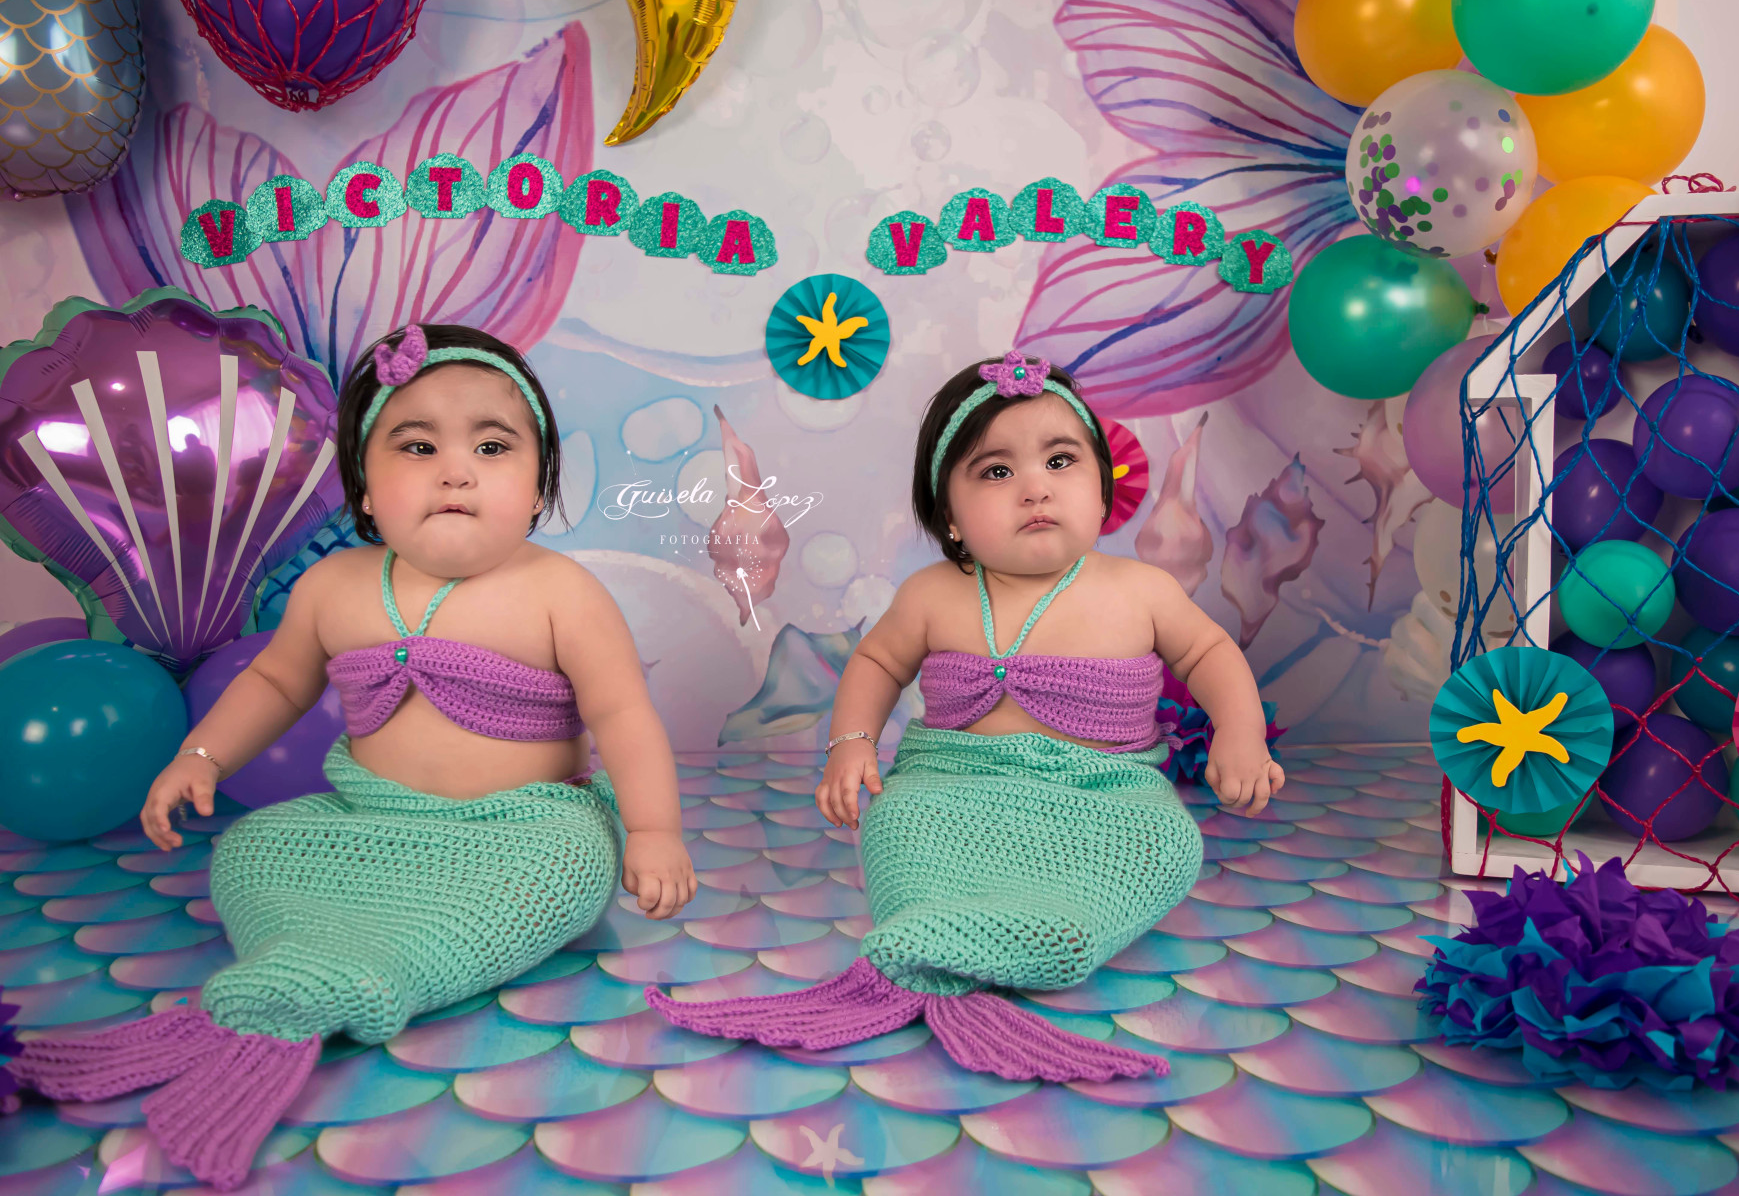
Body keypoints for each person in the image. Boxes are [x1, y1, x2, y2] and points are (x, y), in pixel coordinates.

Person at [9, 324, 694, 1189]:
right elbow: (274, 682)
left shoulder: (561, 593)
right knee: (255, 846)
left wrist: (653, 831)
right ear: (365, 487)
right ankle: (293, 958)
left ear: (538, 486)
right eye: (418, 446)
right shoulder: (334, 588)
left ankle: (361, 975)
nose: (456, 471)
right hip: (363, 820)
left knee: (567, 865)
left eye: (492, 447)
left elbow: (623, 716)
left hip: (521, 829)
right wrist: (202, 754)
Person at [647, 350, 1281, 1081]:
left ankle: (1054, 930)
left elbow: (1210, 654)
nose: (1035, 487)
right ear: (949, 514)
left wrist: (1240, 733)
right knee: (897, 819)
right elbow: (877, 663)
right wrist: (851, 743)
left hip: (1105, 797)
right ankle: (930, 925)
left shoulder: (1139, 590)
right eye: (997, 471)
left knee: (1169, 843)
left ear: (1102, 486)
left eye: (1061, 461)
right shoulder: (933, 594)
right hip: (950, 787)